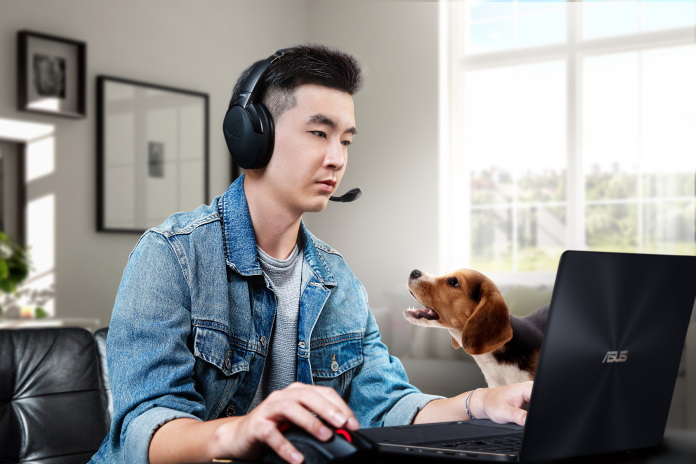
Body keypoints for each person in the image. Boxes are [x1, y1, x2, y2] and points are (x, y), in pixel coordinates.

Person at [89, 44, 533, 464]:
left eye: (346, 141)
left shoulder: (336, 278)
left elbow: (387, 403)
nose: (337, 158)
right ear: (251, 136)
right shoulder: (171, 255)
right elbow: (140, 430)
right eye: (319, 133)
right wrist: (239, 431)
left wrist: (481, 403)